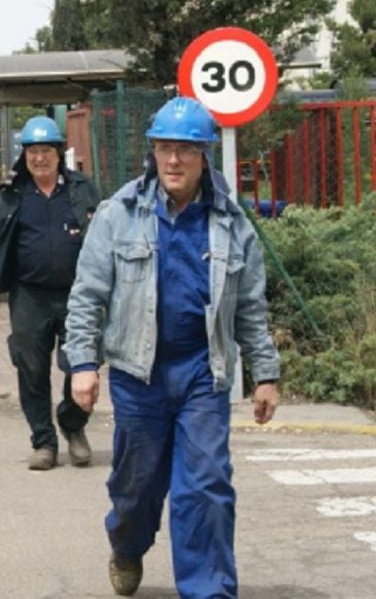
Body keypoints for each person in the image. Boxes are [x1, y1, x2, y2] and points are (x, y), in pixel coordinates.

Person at [64, 96, 280, 597]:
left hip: (203, 372)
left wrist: (265, 373)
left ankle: (207, 590)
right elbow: (87, 295)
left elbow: (250, 306)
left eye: (185, 149)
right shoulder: (119, 214)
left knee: (204, 488)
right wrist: (82, 363)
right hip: (138, 376)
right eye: (165, 148)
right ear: (152, 153)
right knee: (136, 490)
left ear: (205, 154)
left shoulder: (230, 223)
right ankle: (127, 546)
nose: (174, 160)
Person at [0, 116, 102, 471]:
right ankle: (44, 442)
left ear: (59, 153)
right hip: (29, 296)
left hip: (78, 295)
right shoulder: (14, 194)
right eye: (33, 151)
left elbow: (106, 236)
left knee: (80, 363)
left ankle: (72, 424)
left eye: (46, 150)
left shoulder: (82, 189)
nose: (39, 158)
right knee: (31, 369)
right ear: (25, 155)